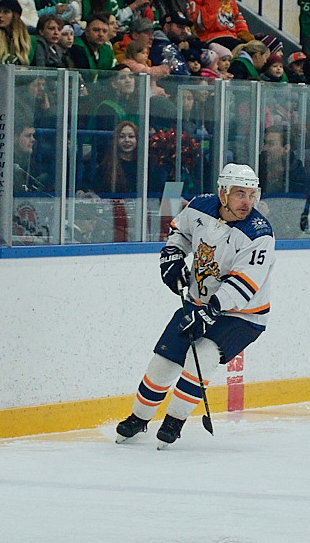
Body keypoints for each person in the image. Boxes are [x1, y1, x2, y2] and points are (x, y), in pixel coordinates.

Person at [114, 162, 274, 448]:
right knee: (163, 360)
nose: (247, 202)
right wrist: (173, 255)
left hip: (243, 316)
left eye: (252, 195)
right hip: (198, 302)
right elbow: (181, 232)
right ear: (222, 192)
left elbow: (245, 283)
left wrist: (210, 311)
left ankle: (175, 421)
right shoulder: (200, 206)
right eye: (240, 194)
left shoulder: (259, 233)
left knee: (203, 355)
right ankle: (139, 418)